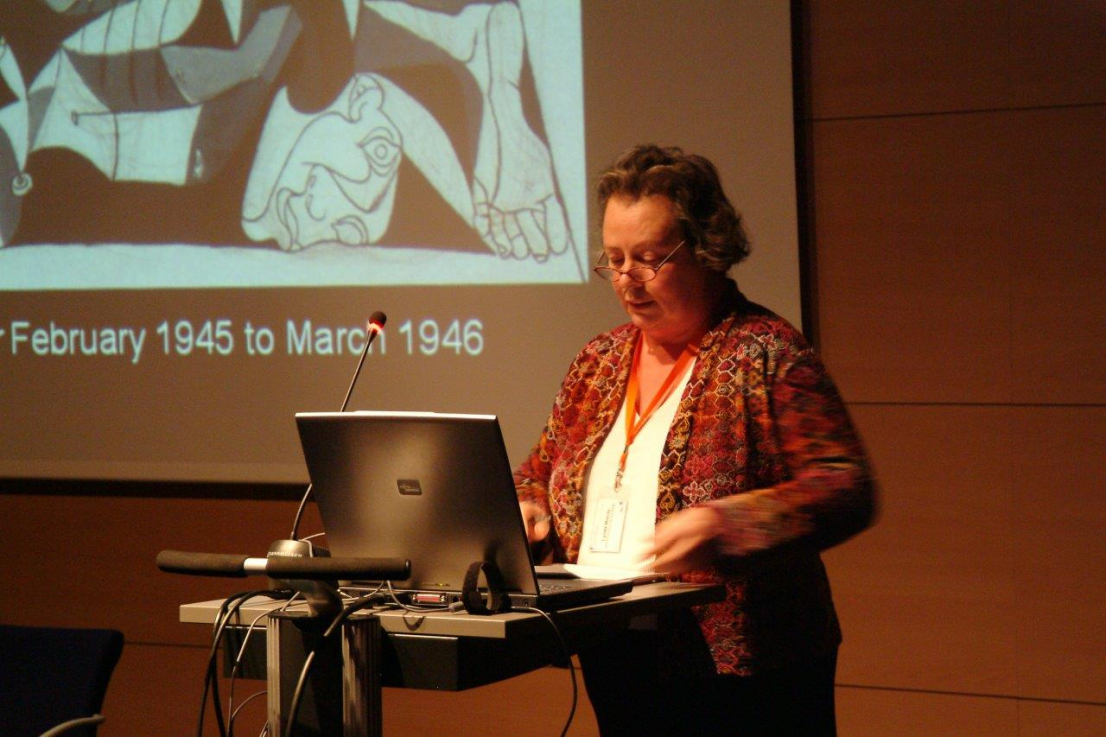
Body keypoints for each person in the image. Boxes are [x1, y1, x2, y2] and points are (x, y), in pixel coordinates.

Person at [514, 144, 876, 735]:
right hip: (617, 651)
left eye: (648, 259)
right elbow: (537, 469)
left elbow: (845, 486)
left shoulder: (767, 352)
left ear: (705, 249)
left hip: (750, 672)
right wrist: (530, 505)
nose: (626, 280)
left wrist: (726, 526)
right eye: (614, 260)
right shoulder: (598, 361)